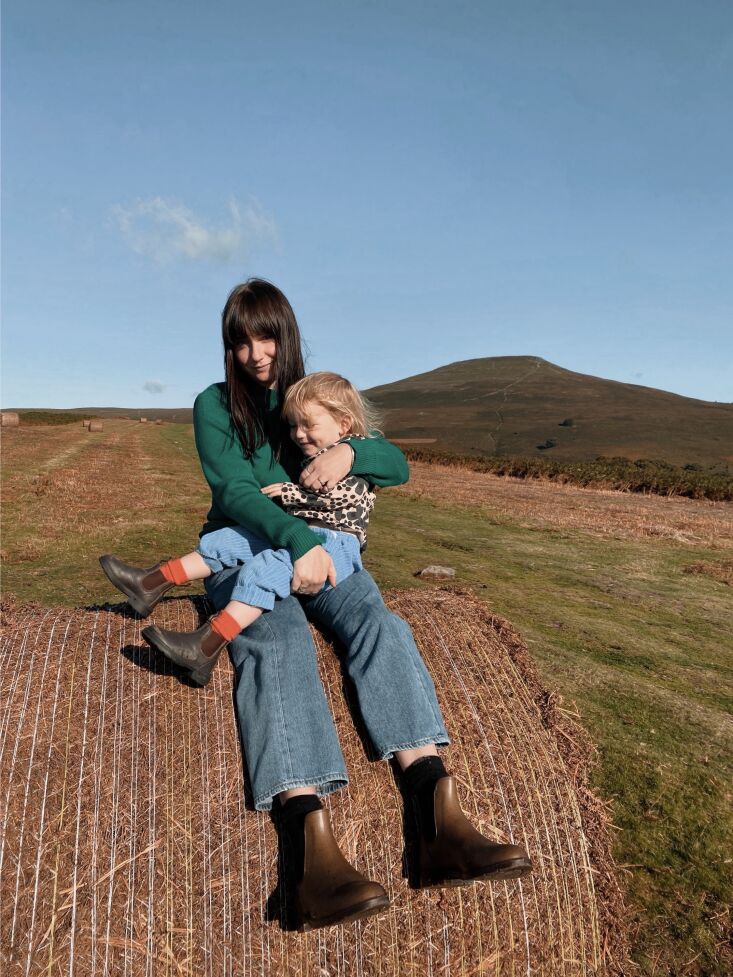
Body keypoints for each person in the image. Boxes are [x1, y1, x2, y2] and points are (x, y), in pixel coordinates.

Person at [99, 278, 532, 932]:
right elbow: (237, 491)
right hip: (249, 555)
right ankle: (308, 858)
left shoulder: (313, 397)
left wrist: (352, 450)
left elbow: (395, 463)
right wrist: (298, 541)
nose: (254, 352)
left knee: (379, 625)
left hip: (326, 555)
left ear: (287, 333)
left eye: (266, 335)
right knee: (280, 644)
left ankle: (436, 817)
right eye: (239, 340)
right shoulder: (215, 405)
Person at [100, 371, 381, 687]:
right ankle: (152, 582)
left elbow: (341, 497)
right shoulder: (316, 450)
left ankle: (207, 644)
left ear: (343, 424)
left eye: (308, 425)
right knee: (228, 540)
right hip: (310, 531)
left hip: (338, 541)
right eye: (294, 425)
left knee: (265, 569)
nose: (299, 434)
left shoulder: (353, 452)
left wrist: (288, 493)